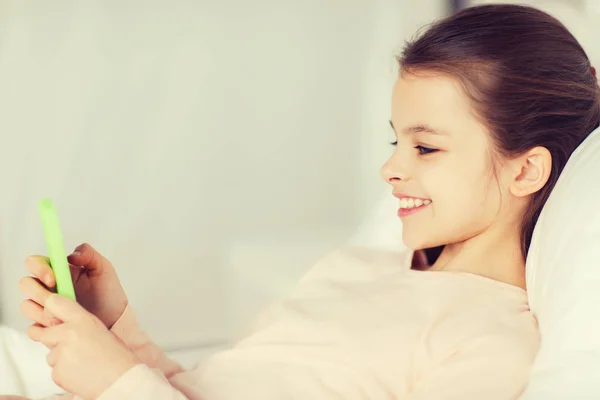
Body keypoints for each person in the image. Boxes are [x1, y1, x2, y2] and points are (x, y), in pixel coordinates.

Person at [12, 4, 600, 399]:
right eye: (397, 141)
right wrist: (115, 332)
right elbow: (204, 387)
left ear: (526, 168)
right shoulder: (359, 268)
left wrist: (115, 381)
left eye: (426, 147)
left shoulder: (489, 341)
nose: (391, 168)